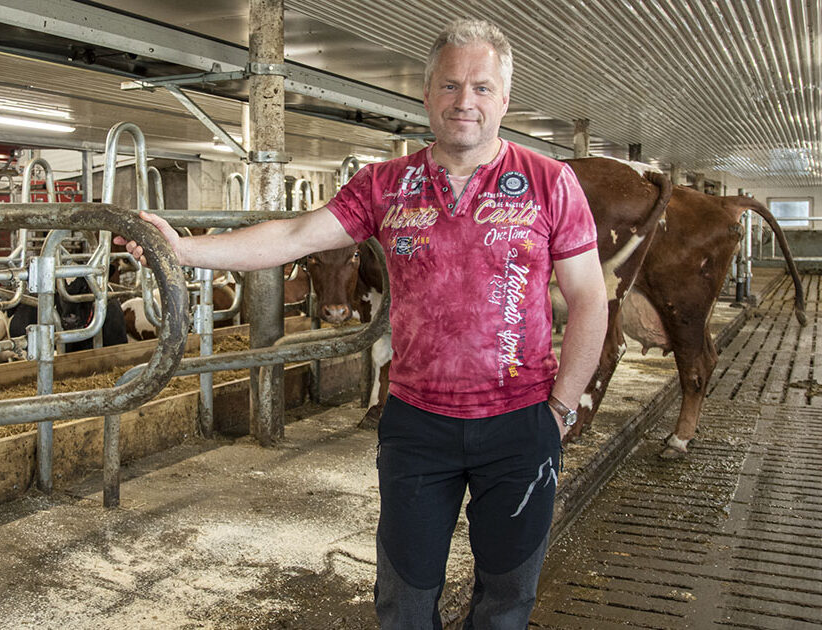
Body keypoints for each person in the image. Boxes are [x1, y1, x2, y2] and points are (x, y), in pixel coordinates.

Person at [116, 18, 607, 630]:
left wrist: (560, 409)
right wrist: (184, 249)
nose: (464, 101)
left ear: (504, 99)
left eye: (482, 87)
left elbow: (590, 299)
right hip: (418, 425)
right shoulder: (386, 184)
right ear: (426, 94)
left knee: (506, 602)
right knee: (404, 600)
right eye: (450, 85)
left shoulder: (549, 182)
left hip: (520, 421)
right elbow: (295, 235)